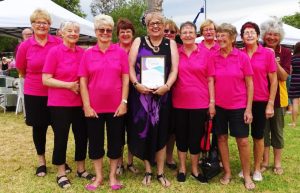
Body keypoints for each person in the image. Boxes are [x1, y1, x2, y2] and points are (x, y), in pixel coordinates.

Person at [127, 11, 178, 187]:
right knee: (144, 130)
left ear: (163, 26)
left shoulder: (170, 43)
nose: (155, 26)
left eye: (158, 23)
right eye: (151, 23)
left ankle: (161, 172)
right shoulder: (138, 41)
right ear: (147, 26)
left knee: (162, 132)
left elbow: (174, 70)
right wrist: (136, 85)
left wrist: (167, 86)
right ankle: (148, 170)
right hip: (141, 95)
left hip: (163, 96)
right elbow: (130, 67)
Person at [79, 14, 128, 191]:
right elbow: (83, 82)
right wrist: (86, 105)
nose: (105, 33)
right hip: (94, 108)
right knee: (95, 143)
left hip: (116, 107)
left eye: (108, 30)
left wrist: (124, 102)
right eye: (102, 30)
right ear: (96, 31)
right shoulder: (87, 54)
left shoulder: (121, 53)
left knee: (116, 142)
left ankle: (113, 176)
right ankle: (99, 176)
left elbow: (125, 79)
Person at [42, 21, 94, 188]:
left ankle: (81, 169)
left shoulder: (83, 53)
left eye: (76, 31)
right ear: (61, 33)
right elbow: (46, 79)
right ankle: (61, 173)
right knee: (61, 138)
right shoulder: (54, 52)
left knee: (82, 136)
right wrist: (68, 85)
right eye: (69, 31)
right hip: (59, 103)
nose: (73, 33)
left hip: (80, 103)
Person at [16, 8, 62, 177]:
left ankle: (60, 160)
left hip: (56, 91)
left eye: (45, 22)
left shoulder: (57, 42)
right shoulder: (25, 46)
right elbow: (21, 69)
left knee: (60, 128)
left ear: (49, 25)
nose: (41, 25)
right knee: (39, 127)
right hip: (34, 92)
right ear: (32, 25)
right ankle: (41, 161)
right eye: (38, 22)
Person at [209, 23, 255, 190]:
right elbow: (211, 81)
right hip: (220, 106)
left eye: (223, 35)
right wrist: (212, 103)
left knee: (242, 141)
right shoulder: (213, 56)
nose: (219, 38)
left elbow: (250, 84)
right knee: (221, 138)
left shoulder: (242, 57)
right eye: (218, 35)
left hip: (239, 106)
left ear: (232, 38)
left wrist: (248, 108)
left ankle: (247, 175)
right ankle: (227, 172)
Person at [172, 21, 215, 183]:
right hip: (179, 103)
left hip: (200, 103)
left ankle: (195, 169)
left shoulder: (206, 54)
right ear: (180, 35)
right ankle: (182, 168)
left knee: (196, 138)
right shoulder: (175, 53)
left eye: (191, 32)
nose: (188, 35)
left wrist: (211, 102)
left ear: (196, 35)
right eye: (185, 32)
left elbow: (210, 79)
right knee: (181, 137)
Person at [239, 22, 278, 181]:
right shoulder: (239, 53)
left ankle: (256, 169)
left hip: (261, 100)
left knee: (258, 136)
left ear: (257, 35)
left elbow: (274, 81)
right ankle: (245, 168)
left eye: (252, 32)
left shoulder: (267, 54)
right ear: (241, 36)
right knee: (242, 137)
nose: (249, 35)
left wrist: (270, 103)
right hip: (241, 101)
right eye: (246, 32)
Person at [260, 18, 291, 175]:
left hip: (279, 99)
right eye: (269, 34)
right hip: (260, 98)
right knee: (263, 132)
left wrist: (273, 58)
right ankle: (264, 161)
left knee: (277, 131)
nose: (272, 37)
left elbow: (284, 76)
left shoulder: (284, 52)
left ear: (280, 36)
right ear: (264, 35)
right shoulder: (258, 49)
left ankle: (277, 163)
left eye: (275, 35)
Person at [115, 18, 139, 175]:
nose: (125, 34)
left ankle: (130, 162)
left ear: (133, 34)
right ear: (117, 35)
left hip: (136, 94)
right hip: (117, 95)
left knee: (132, 129)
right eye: (122, 32)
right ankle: (119, 163)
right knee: (117, 130)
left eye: (128, 31)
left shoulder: (138, 49)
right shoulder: (113, 50)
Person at [163, 18, 179, 170]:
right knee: (159, 126)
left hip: (176, 94)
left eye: (172, 31)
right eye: (165, 31)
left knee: (172, 129)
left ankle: (169, 156)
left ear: (176, 33)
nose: (168, 34)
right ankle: (156, 155)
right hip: (157, 94)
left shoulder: (180, 49)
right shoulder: (154, 48)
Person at [288, 42, 300, 127]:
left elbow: (290, 71)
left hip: (295, 81)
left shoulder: (293, 58)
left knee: (295, 102)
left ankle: (294, 123)